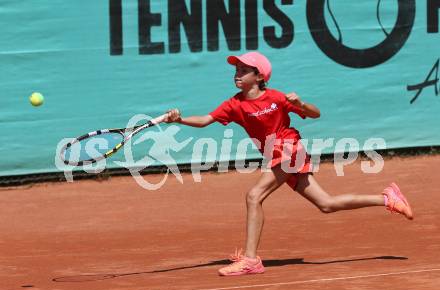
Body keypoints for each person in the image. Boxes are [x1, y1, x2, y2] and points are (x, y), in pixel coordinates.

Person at [163, 51, 413, 276]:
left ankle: (251, 260)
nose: (236, 75)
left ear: (259, 76)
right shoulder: (234, 104)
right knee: (326, 204)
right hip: (276, 153)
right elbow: (205, 120)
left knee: (254, 196)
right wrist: (180, 120)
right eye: (236, 70)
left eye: (242, 71)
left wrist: (300, 104)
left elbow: (316, 114)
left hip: (288, 147)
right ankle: (387, 198)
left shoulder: (277, 98)